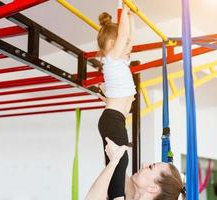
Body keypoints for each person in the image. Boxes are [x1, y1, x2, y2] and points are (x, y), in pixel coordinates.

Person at [96, 3, 136, 200]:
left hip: (114, 120)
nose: (130, 46)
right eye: (125, 43)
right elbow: (124, 36)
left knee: (118, 161)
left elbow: (129, 37)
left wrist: (132, 17)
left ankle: (113, 197)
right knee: (120, 160)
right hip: (113, 120)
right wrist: (126, 13)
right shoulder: (111, 60)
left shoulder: (119, 62)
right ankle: (116, 197)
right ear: (112, 45)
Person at [85, 137, 186, 200]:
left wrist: (114, 161)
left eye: (150, 167)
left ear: (153, 188)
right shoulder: (128, 188)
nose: (144, 165)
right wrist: (114, 161)